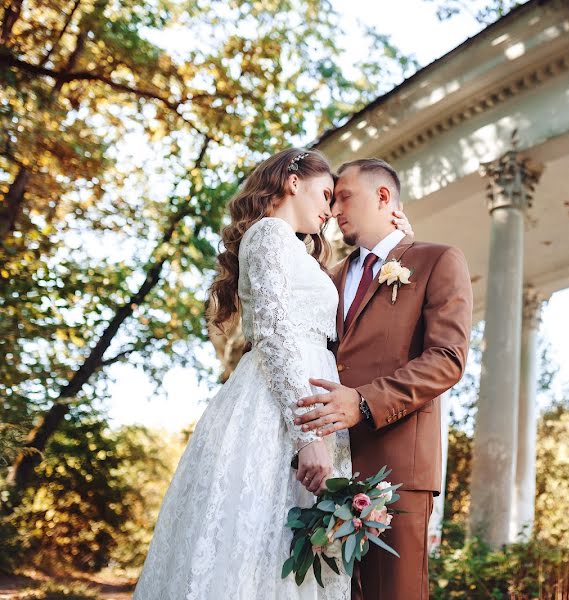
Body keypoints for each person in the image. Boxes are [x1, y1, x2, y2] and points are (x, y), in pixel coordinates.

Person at [133, 149, 411, 600]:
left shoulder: (296, 249)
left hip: (306, 403)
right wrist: (308, 439)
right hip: (280, 410)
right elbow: (278, 334)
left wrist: (398, 238)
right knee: (253, 542)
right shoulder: (269, 235)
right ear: (293, 181)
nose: (330, 210)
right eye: (325, 194)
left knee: (282, 551)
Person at [295, 158, 474, 600]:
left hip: (397, 466)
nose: (334, 209)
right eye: (331, 199)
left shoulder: (436, 260)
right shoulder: (327, 281)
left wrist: (364, 402)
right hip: (325, 468)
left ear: (382, 196)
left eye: (344, 197)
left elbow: (448, 358)